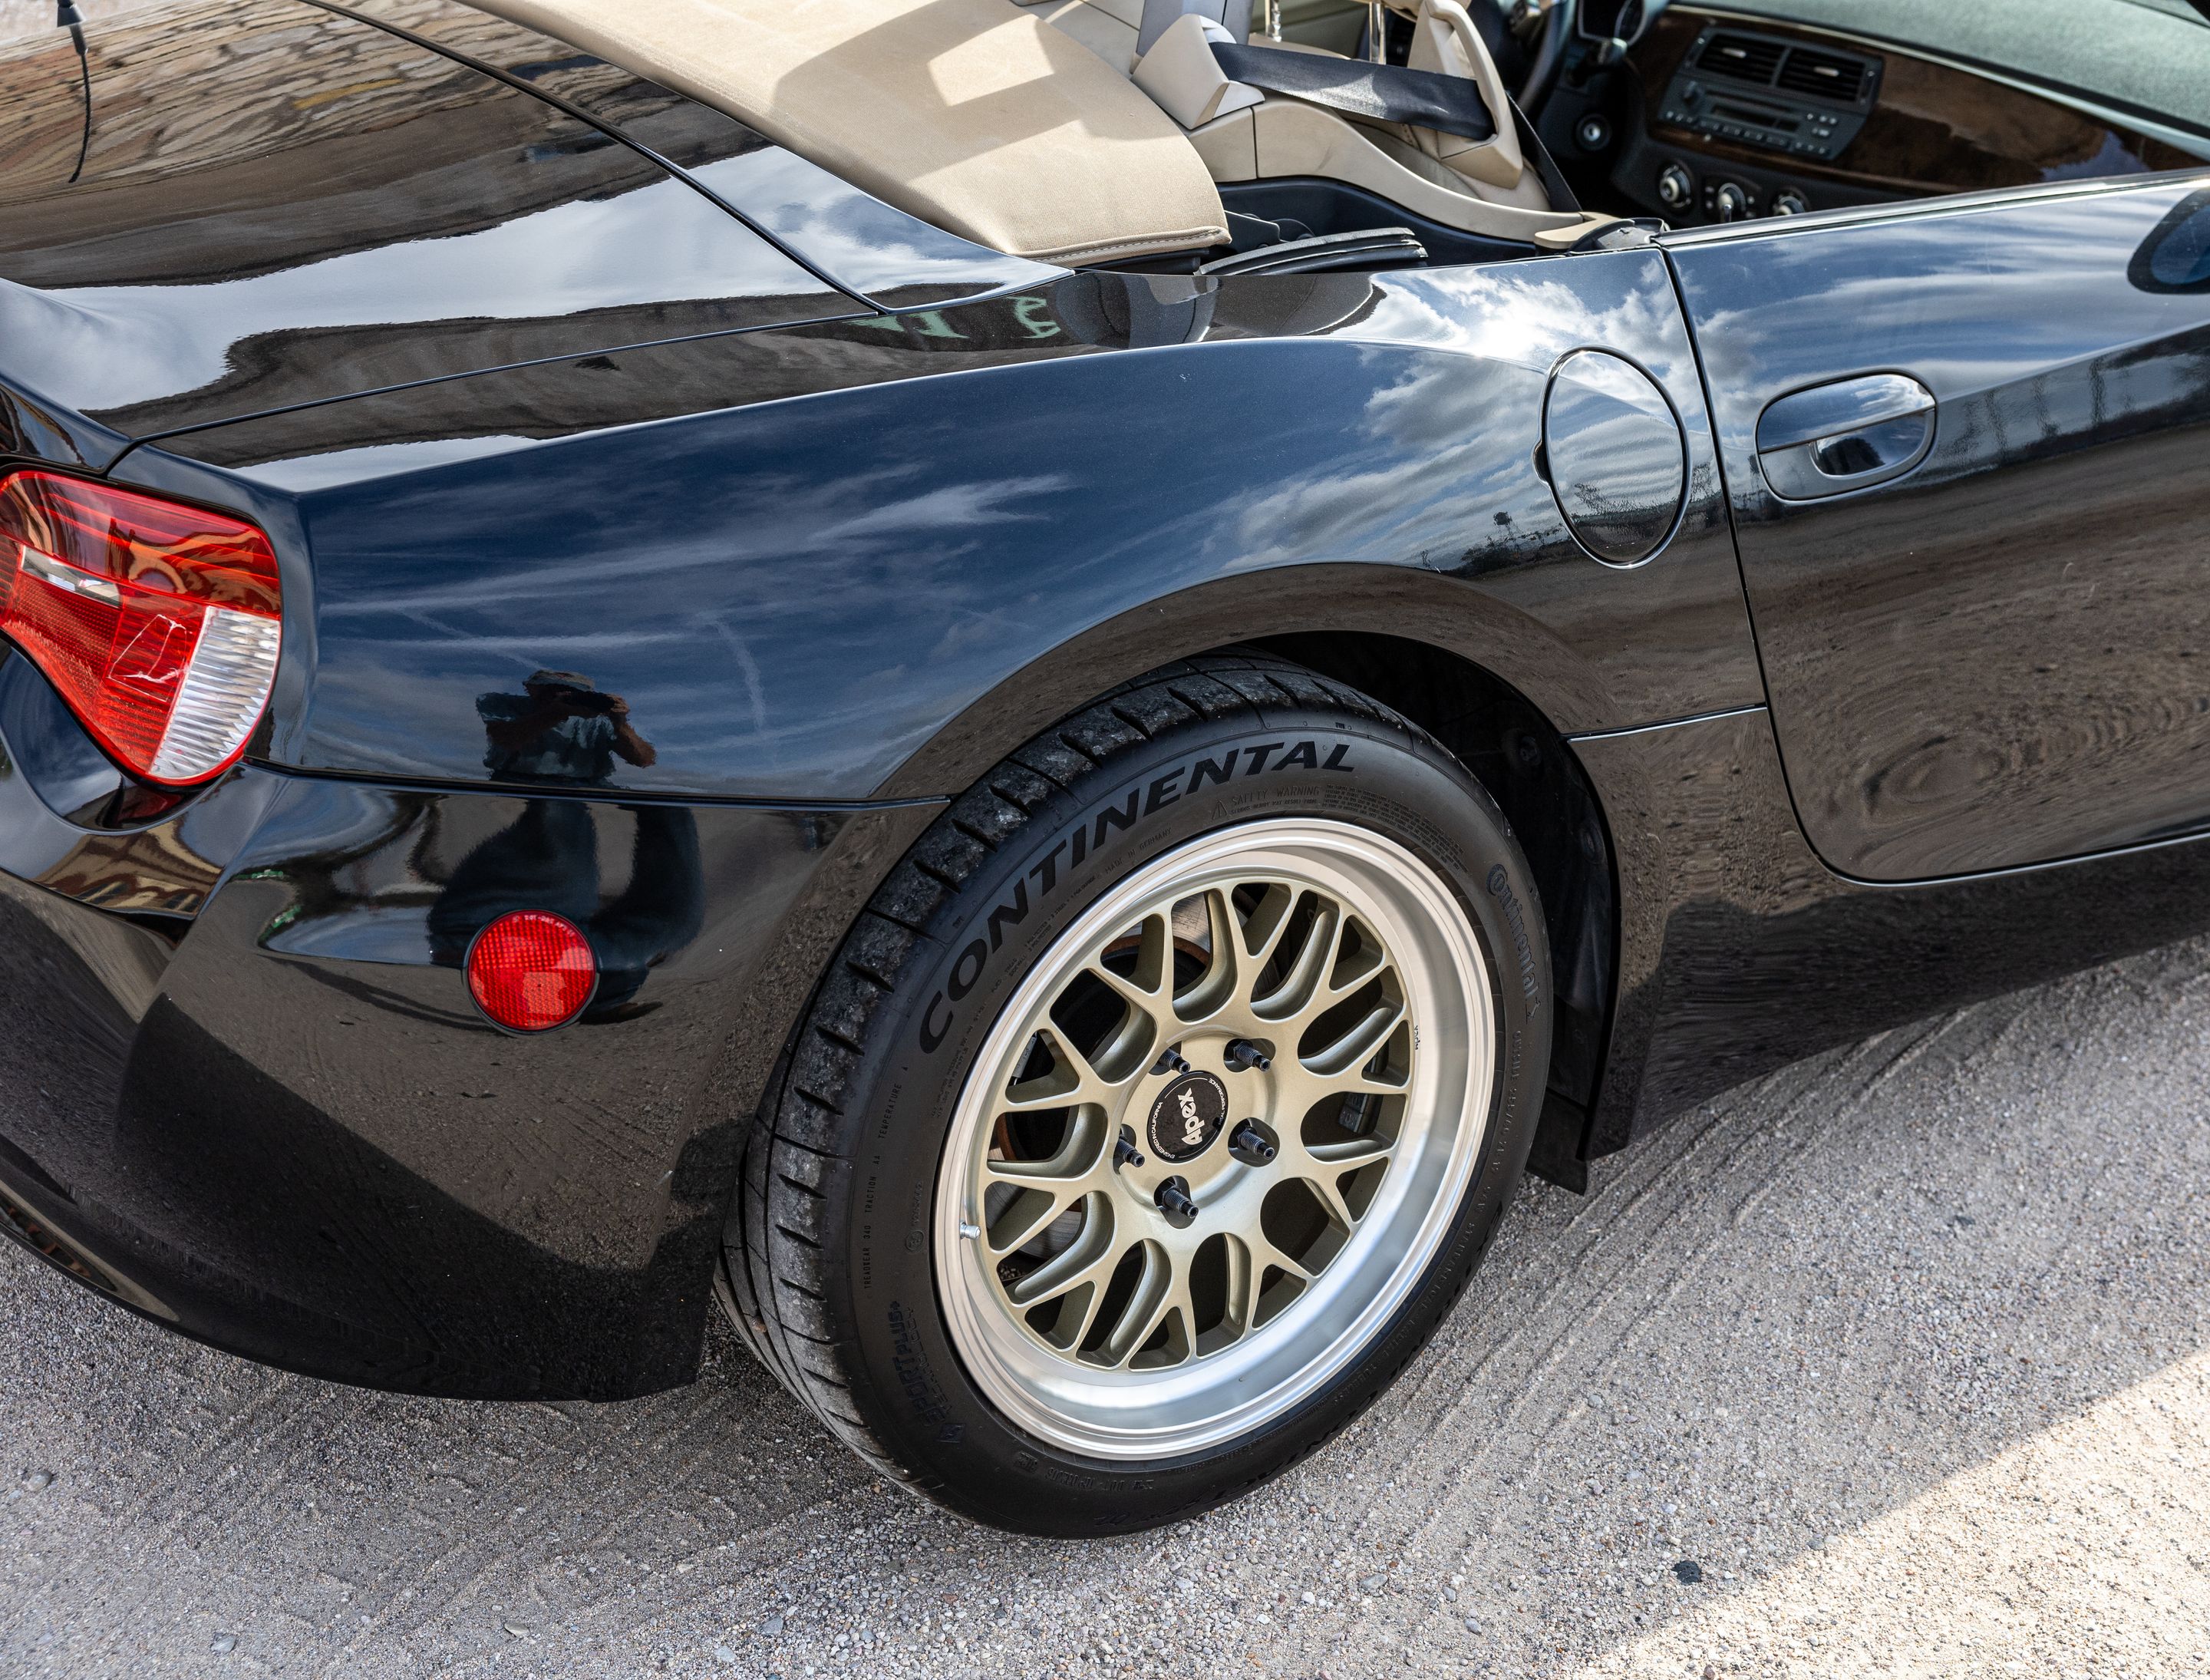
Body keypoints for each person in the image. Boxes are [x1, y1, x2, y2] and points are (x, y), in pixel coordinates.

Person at [428, 671, 702, 1021]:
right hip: (524, 784)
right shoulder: (505, 705)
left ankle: (622, 963)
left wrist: (620, 723)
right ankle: (533, 971)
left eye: (575, 693)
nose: (566, 697)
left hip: (591, 786)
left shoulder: (598, 720)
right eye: (556, 691)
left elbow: (644, 759)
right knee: (562, 825)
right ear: (532, 689)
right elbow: (506, 739)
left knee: (671, 814)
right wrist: (555, 713)